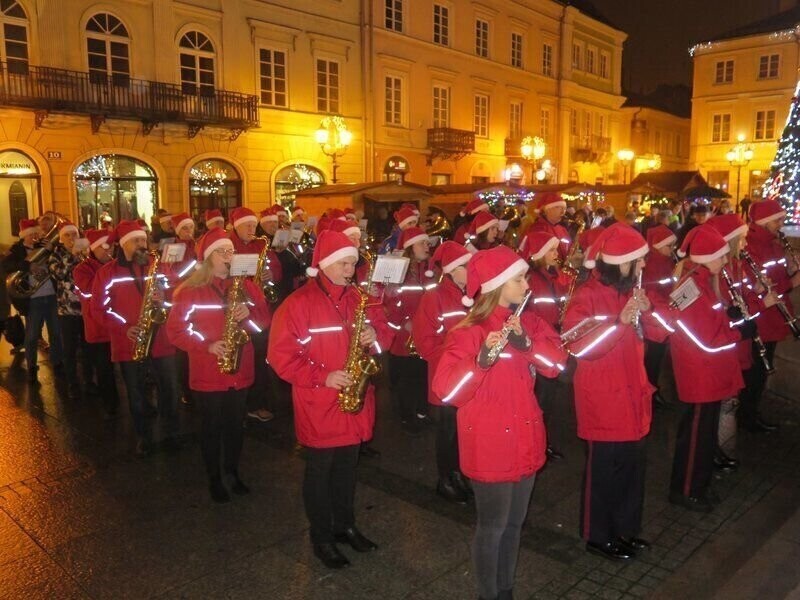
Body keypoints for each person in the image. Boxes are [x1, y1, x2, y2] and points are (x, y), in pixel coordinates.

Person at [432, 245, 567, 600]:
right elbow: (447, 390)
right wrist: (479, 362)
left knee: (514, 524)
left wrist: (526, 343)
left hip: (526, 434)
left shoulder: (530, 321)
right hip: (489, 442)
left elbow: (557, 365)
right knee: (492, 527)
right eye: (519, 279)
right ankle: (488, 594)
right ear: (497, 285)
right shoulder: (468, 330)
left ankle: (505, 590)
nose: (527, 285)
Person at [268, 230, 393, 570]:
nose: (350, 270)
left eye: (353, 263)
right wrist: (322, 377)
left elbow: (386, 337)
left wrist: (375, 336)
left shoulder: (360, 299)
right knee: (320, 474)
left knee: (346, 471)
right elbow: (281, 358)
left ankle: (345, 526)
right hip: (320, 403)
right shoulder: (298, 304)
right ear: (323, 264)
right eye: (343, 263)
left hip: (354, 401)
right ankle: (321, 537)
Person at [562, 223, 669, 561]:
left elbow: (663, 335)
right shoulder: (586, 296)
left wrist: (649, 311)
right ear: (619, 262)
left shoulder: (630, 292)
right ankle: (598, 535)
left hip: (633, 395)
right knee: (604, 473)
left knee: (632, 470)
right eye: (637, 261)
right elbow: (578, 345)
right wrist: (618, 322)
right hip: (604, 399)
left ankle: (625, 529)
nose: (642, 268)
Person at [167, 228, 269, 503]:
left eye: (230, 251)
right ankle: (214, 477)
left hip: (240, 368)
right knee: (211, 427)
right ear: (209, 257)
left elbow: (262, 325)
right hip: (207, 371)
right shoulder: (189, 291)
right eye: (222, 252)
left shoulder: (247, 287)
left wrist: (251, 314)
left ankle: (232, 472)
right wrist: (207, 345)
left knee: (235, 426)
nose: (229, 256)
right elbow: (176, 331)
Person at [668, 225, 750, 512]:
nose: (726, 261)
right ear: (707, 256)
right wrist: (739, 333)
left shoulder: (702, 281)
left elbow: (710, 323)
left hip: (708, 372)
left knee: (702, 435)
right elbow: (702, 337)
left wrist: (730, 318)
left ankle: (697, 485)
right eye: (722, 256)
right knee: (696, 438)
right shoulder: (691, 286)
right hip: (699, 373)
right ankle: (687, 490)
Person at [91, 220, 180, 456]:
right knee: (137, 393)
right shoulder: (106, 272)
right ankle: (144, 436)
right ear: (123, 245)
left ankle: (171, 433)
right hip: (129, 341)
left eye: (144, 239)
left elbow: (177, 294)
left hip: (162, 339)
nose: (143, 245)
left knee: (170, 389)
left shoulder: (158, 265)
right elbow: (99, 309)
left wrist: (166, 299)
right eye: (136, 241)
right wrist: (124, 328)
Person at [412, 241, 472, 504]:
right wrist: (455, 357)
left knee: (464, 431)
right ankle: (444, 479)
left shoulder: (473, 296)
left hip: (470, 376)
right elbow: (425, 343)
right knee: (447, 432)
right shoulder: (433, 298)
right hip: (448, 378)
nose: (471, 269)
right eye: (465, 266)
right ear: (451, 271)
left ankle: (459, 473)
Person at [708, 213, 764, 471]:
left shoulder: (736, 266)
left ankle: (722, 450)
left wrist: (759, 293)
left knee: (730, 401)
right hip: (727, 343)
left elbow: (741, 300)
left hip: (736, 341)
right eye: (741, 239)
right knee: (726, 402)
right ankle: (720, 452)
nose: (745, 244)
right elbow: (718, 313)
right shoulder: (721, 271)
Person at [742, 199, 800, 432]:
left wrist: (793, 271)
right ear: (766, 221)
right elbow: (765, 286)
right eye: (777, 220)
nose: (781, 224)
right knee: (755, 371)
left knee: (761, 371)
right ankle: (746, 416)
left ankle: (751, 412)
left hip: (774, 315)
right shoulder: (752, 247)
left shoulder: (773, 244)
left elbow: (777, 276)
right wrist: (793, 281)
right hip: (762, 317)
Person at [520, 231, 573, 460]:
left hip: (553, 340)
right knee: (539, 398)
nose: (557, 253)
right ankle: (534, 444)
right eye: (551, 250)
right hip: (538, 344)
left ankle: (543, 441)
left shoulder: (557, 275)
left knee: (548, 398)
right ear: (540, 254)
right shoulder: (530, 279)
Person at [228, 207, 280, 423]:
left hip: (258, 309)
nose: (252, 229)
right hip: (237, 308)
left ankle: (257, 400)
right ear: (236, 227)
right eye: (247, 225)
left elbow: (276, 267)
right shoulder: (227, 245)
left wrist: (271, 273)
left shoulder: (261, 244)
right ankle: (241, 402)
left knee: (260, 356)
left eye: (253, 225)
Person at [386, 226, 437, 435]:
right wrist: (404, 322)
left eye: (427, 243)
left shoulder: (429, 269)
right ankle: (408, 417)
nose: (427, 246)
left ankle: (421, 412)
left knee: (423, 375)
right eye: (422, 243)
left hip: (425, 333)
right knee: (409, 379)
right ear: (409, 247)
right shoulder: (398, 272)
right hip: (406, 336)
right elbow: (388, 305)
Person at [2, 218, 63, 383]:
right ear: (24, 236)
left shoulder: (44, 246)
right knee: (31, 335)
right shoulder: (16, 250)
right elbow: (6, 266)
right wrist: (27, 266)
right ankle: (31, 365)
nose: (35, 236)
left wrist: (52, 249)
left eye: (37, 233)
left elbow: (59, 260)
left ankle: (57, 362)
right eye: (32, 234)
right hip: (33, 299)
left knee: (56, 333)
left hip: (51, 295)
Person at [73, 229, 120, 417]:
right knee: (104, 368)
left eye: (113, 246)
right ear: (95, 248)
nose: (111, 250)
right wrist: (107, 272)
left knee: (127, 367)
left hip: (118, 325)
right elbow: (89, 292)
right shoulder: (82, 269)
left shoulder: (117, 265)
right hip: (98, 327)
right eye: (106, 246)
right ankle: (110, 404)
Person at [47, 220, 89, 398]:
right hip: (66, 311)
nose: (72, 238)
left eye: (74, 235)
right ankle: (73, 384)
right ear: (61, 239)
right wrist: (72, 256)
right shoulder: (55, 256)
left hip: (86, 308)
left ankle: (89, 381)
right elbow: (59, 274)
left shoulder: (86, 253)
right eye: (67, 235)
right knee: (70, 350)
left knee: (88, 349)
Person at [641, 225, 677, 408]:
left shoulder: (665, 262)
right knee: (653, 361)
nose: (672, 250)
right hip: (656, 321)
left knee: (655, 360)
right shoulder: (655, 266)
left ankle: (652, 392)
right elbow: (653, 293)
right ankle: (650, 394)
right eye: (669, 246)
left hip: (661, 317)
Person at [523, 193, 571, 262]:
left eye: (564, 208)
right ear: (547, 210)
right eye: (558, 207)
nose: (563, 212)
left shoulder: (562, 229)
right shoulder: (537, 229)